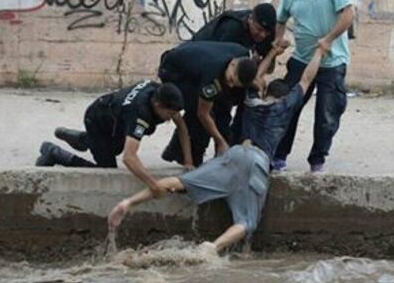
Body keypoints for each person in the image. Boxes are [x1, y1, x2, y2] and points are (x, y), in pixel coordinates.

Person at [109, 44, 325, 253]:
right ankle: (212, 246)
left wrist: (272, 54)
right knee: (247, 222)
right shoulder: (286, 106)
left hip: (235, 153)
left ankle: (128, 202)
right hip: (258, 161)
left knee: (182, 182)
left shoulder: (251, 100)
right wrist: (320, 52)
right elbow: (306, 78)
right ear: (285, 97)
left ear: (264, 91)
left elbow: (254, 74)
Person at [272, 0, 354, 173]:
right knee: (287, 108)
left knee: (327, 115)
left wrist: (329, 39)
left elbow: (348, 14)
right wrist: (278, 41)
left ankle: (317, 160)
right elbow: (281, 19)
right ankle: (278, 156)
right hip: (301, 61)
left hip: (332, 63)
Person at [35, 80, 192, 198]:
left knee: (115, 148)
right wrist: (154, 185)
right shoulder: (140, 114)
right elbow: (129, 158)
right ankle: (54, 153)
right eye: (170, 115)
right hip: (97, 119)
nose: (171, 119)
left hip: (115, 119)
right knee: (107, 171)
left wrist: (188, 160)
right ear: (157, 105)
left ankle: (84, 140)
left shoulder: (160, 93)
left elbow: (182, 126)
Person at [157, 40, 258, 167]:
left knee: (222, 105)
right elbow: (203, 114)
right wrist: (220, 141)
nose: (231, 85)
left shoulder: (243, 55)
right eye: (231, 79)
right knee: (199, 111)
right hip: (174, 70)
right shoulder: (212, 76)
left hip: (193, 59)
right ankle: (189, 157)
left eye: (235, 84)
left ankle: (218, 154)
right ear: (232, 64)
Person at [191, 2, 278, 145]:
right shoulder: (232, 28)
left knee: (248, 98)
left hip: (231, 70)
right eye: (259, 29)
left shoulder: (267, 32)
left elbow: (269, 68)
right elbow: (220, 65)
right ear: (251, 19)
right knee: (210, 107)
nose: (262, 35)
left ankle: (234, 144)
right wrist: (252, 76)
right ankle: (194, 152)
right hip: (201, 63)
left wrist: (272, 53)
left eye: (266, 32)